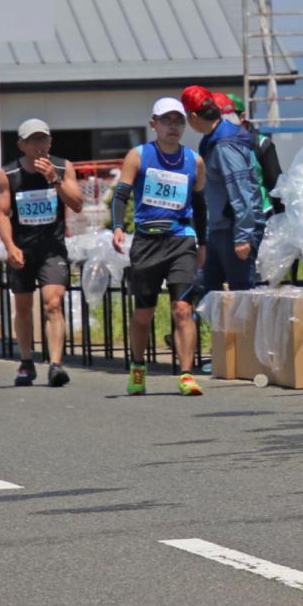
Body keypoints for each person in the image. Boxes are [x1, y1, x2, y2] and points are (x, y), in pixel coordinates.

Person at [111, 97, 208, 396]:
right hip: (147, 241)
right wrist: (117, 227)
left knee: (182, 308)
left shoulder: (194, 160)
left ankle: (186, 374)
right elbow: (121, 195)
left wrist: (203, 243)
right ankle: (138, 367)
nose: (173, 127)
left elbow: (200, 206)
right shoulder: (138, 156)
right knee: (144, 314)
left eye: (178, 121)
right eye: (166, 121)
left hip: (181, 239)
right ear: (154, 124)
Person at [0, 119, 85, 387]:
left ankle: (55, 364)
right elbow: (2, 213)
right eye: (32, 140)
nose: (38, 145)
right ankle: (26, 360)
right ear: (21, 145)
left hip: (52, 247)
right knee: (23, 307)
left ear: (50, 141)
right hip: (22, 248)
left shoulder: (63, 167)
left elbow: (77, 204)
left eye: (42, 139)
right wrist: (10, 246)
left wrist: (54, 180)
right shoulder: (9, 173)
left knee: (53, 303)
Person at [182, 87, 261, 293]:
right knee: (209, 292)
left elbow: (240, 190)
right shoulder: (213, 139)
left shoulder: (224, 146)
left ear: (193, 116)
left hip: (232, 230)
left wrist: (242, 236)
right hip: (218, 228)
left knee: (240, 297)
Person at [227, 92, 285, 217]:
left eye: (228, 116)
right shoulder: (218, 146)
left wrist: (280, 217)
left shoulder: (262, 144)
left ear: (242, 116)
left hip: (261, 213)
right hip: (230, 215)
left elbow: (275, 183)